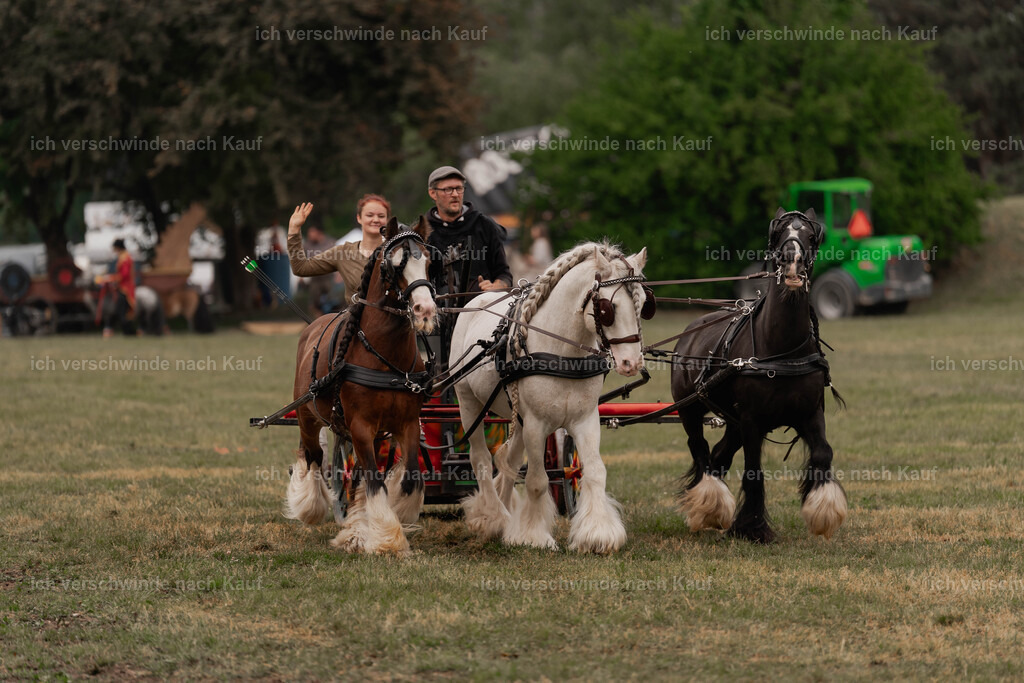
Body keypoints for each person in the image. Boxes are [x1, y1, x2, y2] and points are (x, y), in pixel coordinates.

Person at [286, 194, 391, 308]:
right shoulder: (342, 253)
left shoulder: (398, 251)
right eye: (369, 215)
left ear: (387, 220)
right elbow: (301, 268)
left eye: (381, 216)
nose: (375, 220)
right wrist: (294, 230)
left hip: (395, 322)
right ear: (359, 218)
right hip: (355, 322)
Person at [425, 166, 512, 295]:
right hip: (439, 311)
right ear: (433, 193)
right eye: (448, 189)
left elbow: (504, 275)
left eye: (459, 188)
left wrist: (496, 287)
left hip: (483, 309)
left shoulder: (484, 225)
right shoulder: (424, 232)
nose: (455, 194)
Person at [100, 238, 137, 337]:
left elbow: (124, 275)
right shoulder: (123, 257)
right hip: (122, 287)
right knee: (120, 311)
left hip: (125, 289)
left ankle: (128, 332)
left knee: (121, 311)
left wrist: (111, 278)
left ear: (118, 248)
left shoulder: (124, 258)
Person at [301, 225, 336, 316]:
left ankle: (330, 319)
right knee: (313, 303)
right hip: (315, 278)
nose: (309, 235)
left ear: (319, 232)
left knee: (332, 301)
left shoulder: (330, 243)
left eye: (311, 233)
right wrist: (300, 276)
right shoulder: (307, 245)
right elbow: (301, 260)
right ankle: (317, 321)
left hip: (328, 277)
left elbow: (337, 260)